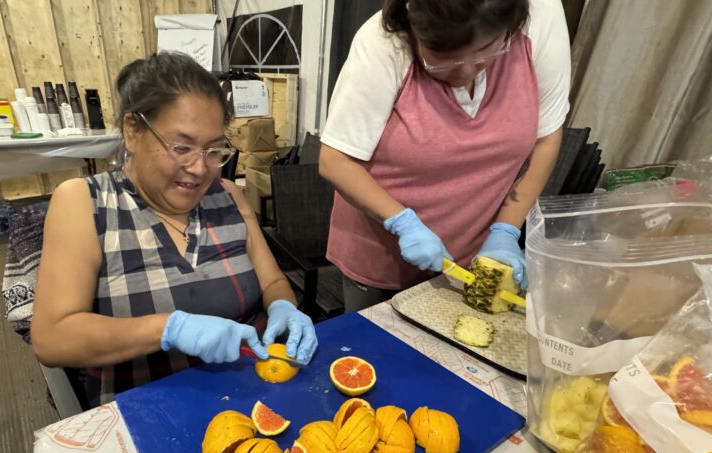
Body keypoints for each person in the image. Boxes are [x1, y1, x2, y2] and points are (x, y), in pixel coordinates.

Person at [30, 53, 317, 407]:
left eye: (214, 150)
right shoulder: (86, 203)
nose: (199, 169)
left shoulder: (227, 196)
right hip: (148, 408)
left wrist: (283, 308)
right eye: (181, 147)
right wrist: (170, 329)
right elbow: (53, 338)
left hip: (253, 392)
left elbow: (273, 283)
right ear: (133, 130)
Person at [319, 0, 571, 310]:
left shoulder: (541, 17)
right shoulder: (383, 43)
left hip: (469, 258)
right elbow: (335, 160)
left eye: (484, 55)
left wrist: (507, 228)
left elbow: (546, 137)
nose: (464, 73)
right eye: (442, 61)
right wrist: (402, 222)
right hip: (379, 256)